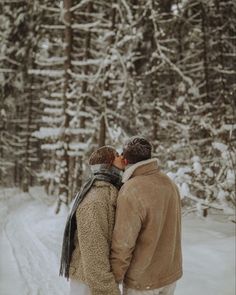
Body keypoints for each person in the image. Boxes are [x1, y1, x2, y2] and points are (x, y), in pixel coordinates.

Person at [111, 137, 183, 295]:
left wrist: (114, 280)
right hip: (170, 276)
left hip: (142, 282)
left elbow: (123, 243)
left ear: (126, 159)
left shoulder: (131, 190)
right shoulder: (169, 183)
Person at [59, 146, 125, 295]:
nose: (121, 157)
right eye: (116, 155)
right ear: (107, 165)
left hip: (93, 281)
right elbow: (94, 251)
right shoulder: (96, 200)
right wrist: (108, 290)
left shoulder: (108, 192)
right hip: (89, 284)